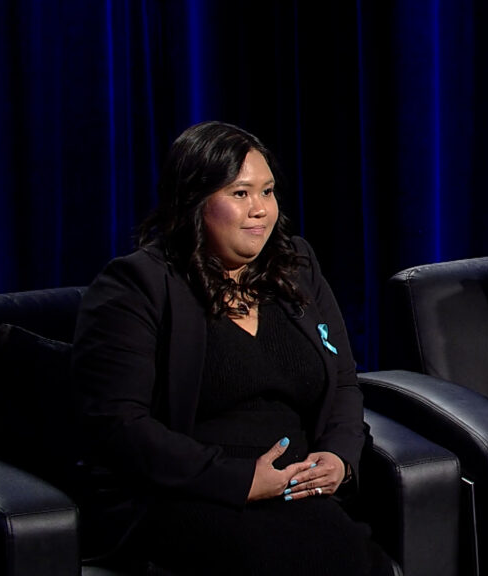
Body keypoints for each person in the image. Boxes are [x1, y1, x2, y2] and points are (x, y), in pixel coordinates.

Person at [73, 121, 392, 575]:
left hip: (295, 490)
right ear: (194, 203)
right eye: (240, 194)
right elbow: (118, 424)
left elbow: (343, 381)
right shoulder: (137, 285)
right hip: (187, 490)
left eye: (267, 191)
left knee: (353, 558)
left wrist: (340, 457)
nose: (260, 210)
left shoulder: (296, 266)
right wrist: (240, 480)